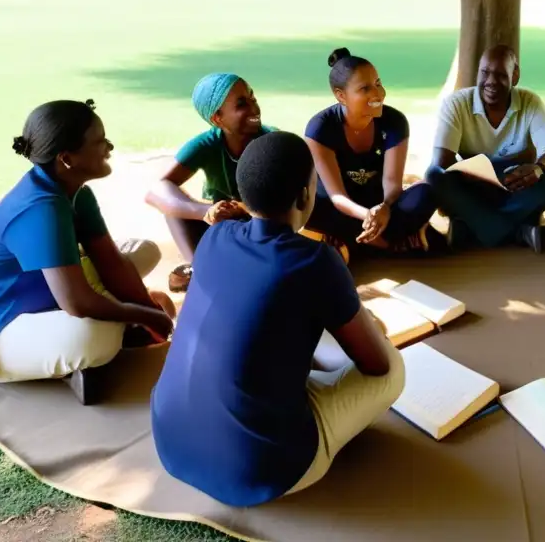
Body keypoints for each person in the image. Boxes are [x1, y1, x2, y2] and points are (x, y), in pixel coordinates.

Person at [151, 131, 404, 506]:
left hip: (169, 440)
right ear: (306, 194)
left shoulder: (215, 236)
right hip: (263, 469)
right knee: (394, 366)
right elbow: (376, 364)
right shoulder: (316, 261)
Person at [0, 100, 175, 405]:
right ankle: (76, 364)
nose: (109, 147)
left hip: (44, 295)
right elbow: (77, 302)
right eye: (99, 142)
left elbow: (111, 263)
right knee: (97, 340)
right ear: (67, 158)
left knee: (144, 253)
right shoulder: (40, 208)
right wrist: (142, 314)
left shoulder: (75, 191)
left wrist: (147, 308)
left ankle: (112, 326)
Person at [425, 45, 545, 253]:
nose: (491, 82)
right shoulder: (456, 103)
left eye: (501, 75)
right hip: (474, 185)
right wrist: (476, 176)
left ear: (515, 76)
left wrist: (538, 168)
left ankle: (475, 227)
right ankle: (520, 230)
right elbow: (442, 161)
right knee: (433, 175)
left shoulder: (530, 102)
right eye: (485, 73)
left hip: (516, 185)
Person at [303, 48, 438, 256]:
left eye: (378, 83)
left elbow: (392, 184)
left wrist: (383, 208)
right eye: (365, 88)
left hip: (378, 202)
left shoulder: (395, 122)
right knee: (308, 205)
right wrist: (369, 216)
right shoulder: (320, 128)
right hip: (343, 207)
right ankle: (390, 243)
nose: (378, 94)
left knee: (427, 192)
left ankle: (350, 244)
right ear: (341, 96)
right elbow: (338, 197)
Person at [145, 72, 272, 288]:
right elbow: (156, 191)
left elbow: (286, 201)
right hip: (218, 224)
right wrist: (205, 211)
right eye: (242, 104)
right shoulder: (207, 144)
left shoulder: (270, 142)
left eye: (253, 99)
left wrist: (239, 208)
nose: (254, 108)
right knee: (174, 208)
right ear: (217, 119)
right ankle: (198, 267)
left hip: (258, 225)